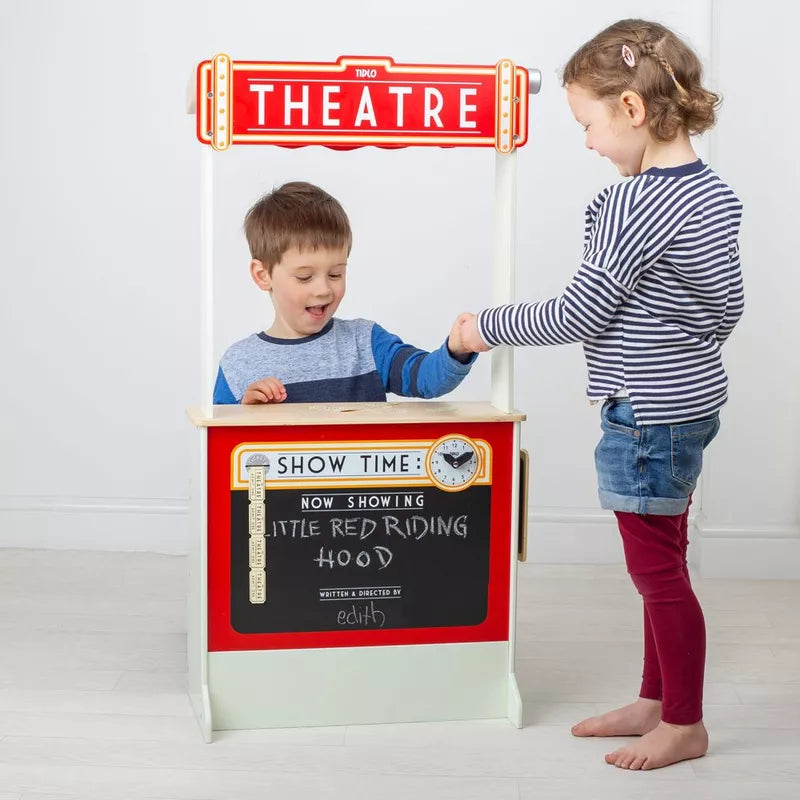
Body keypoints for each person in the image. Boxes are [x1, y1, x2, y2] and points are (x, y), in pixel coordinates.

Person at [457, 19, 743, 771]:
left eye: (587, 124)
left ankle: (684, 721)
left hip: (647, 415)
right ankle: (655, 698)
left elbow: (581, 311)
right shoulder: (713, 194)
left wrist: (487, 326)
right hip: (692, 406)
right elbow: (727, 310)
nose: (586, 142)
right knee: (666, 560)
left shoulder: (633, 204)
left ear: (632, 110)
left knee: (659, 575)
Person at [214, 181, 475, 405]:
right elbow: (221, 451)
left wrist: (457, 348)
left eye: (336, 274)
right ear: (263, 275)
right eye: (305, 277)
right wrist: (245, 418)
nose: (324, 289)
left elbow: (426, 378)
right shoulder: (239, 363)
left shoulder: (366, 343)